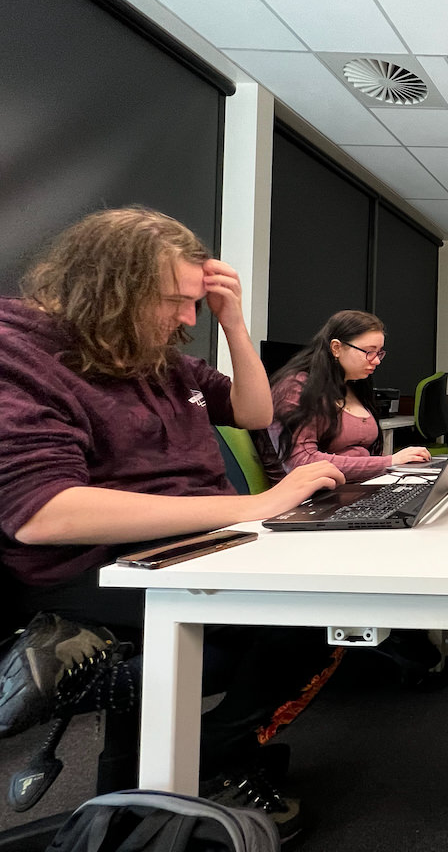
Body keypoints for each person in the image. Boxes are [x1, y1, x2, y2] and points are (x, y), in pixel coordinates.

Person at [0, 207, 346, 842]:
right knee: (301, 621)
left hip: (187, 545)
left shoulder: (155, 356)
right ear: (110, 288)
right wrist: (254, 506)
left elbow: (251, 410)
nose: (187, 321)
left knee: (332, 601)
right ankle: (205, 763)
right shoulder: (19, 354)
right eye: (173, 302)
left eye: (194, 304)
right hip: (95, 565)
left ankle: (191, 765)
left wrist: (234, 323)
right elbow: (44, 514)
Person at [270, 310, 430, 481]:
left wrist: (395, 465)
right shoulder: (295, 387)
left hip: (353, 487)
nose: (377, 361)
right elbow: (302, 462)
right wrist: (389, 462)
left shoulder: (355, 385)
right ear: (336, 348)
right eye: (369, 352)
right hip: (308, 497)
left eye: (379, 353)